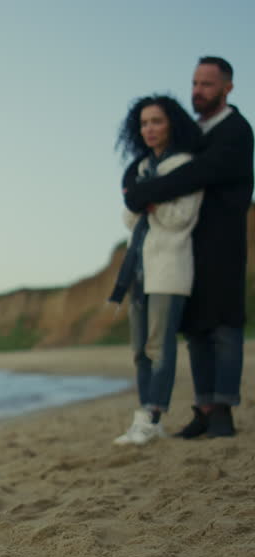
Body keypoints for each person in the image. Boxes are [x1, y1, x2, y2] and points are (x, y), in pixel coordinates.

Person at [123, 56, 255, 438]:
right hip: (189, 244)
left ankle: (223, 412)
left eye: (207, 85)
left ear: (228, 87)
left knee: (225, 327)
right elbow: (150, 164)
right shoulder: (192, 134)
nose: (197, 91)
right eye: (195, 83)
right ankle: (204, 408)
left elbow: (198, 173)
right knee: (196, 329)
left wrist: (142, 193)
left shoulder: (236, 130)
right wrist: (132, 182)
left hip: (225, 242)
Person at [109, 95, 203, 445]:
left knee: (159, 346)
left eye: (157, 121)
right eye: (144, 123)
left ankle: (153, 413)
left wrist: (149, 201)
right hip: (138, 267)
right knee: (138, 349)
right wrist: (148, 200)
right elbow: (129, 217)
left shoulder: (185, 166)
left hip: (170, 265)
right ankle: (145, 416)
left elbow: (181, 218)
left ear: (171, 124)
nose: (149, 128)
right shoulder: (140, 168)